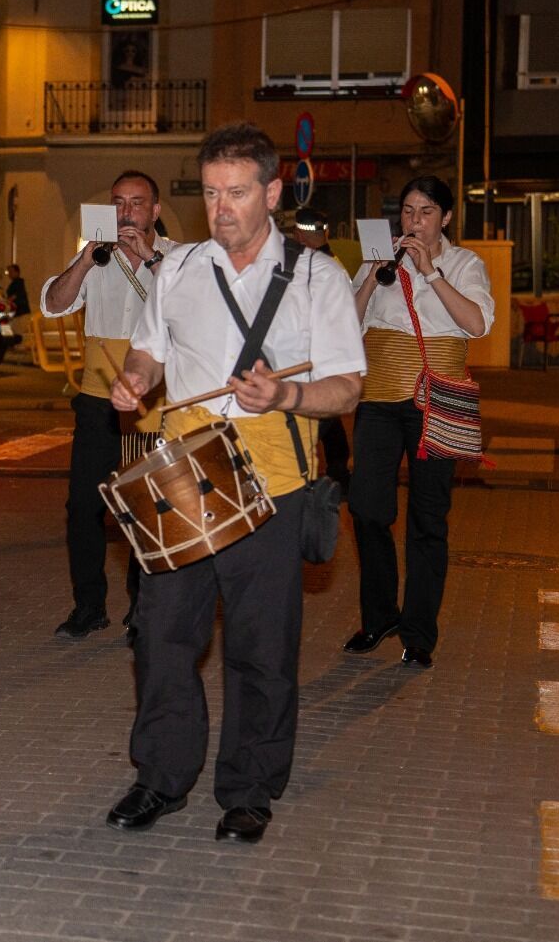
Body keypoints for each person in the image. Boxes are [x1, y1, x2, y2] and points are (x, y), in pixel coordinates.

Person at [105, 123, 364, 844]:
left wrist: (284, 398)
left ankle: (248, 789)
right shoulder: (179, 268)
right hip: (186, 479)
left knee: (261, 647)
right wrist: (134, 381)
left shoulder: (317, 277)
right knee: (161, 636)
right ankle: (161, 776)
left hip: (273, 482)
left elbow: (346, 387)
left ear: (273, 192)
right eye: (212, 192)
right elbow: (149, 353)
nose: (221, 207)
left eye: (238, 192)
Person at [344, 176, 494, 670]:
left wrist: (431, 273)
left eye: (426, 211)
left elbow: (475, 323)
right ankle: (380, 614)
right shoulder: (378, 259)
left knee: (428, 521)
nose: (415, 221)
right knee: (367, 507)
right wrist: (372, 275)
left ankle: (420, 632)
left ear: (446, 218)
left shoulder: (465, 263)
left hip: (437, 404)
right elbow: (347, 321)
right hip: (379, 399)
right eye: (407, 211)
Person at [41, 170, 177, 640]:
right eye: (118, 202)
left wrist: (151, 259)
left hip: (151, 404)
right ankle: (88, 605)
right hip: (98, 399)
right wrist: (82, 260)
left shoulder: (175, 258)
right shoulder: (95, 258)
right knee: (83, 506)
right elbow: (54, 304)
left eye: (137, 203)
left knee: (145, 508)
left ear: (155, 211)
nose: (126, 213)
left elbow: (189, 309)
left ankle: (144, 609)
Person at [294, 208, 352, 493]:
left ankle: (327, 475)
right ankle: (338, 470)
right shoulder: (335, 263)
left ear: (300, 236)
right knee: (330, 417)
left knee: (320, 419)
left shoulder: (318, 267)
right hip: (329, 356)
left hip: (315, 357)